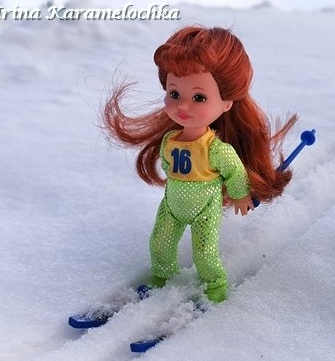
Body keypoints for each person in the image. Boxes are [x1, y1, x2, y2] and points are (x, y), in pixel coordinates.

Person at [102, 26, 296, 302]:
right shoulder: (170, 139)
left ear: (226, 103)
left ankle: (215, 285)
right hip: (172, 205)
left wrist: (241, 195)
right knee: (160, 243)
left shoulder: (216, 149)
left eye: (199, 98)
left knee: (204, 253)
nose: (183, 106)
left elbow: (234, 171)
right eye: (174, 93)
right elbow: (169, 165)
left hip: (205, 207)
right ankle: (161, 275)